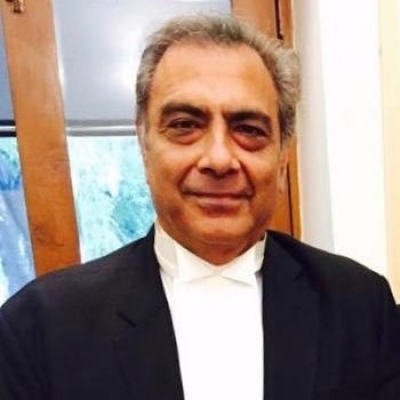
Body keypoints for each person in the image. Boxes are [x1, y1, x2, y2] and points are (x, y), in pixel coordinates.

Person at [0, 14, 399, 400]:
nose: (219, 159)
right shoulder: (40, 326)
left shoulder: (361, 307)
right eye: (185, 125)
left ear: (282, 158)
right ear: (144, 146)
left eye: (248, 130)